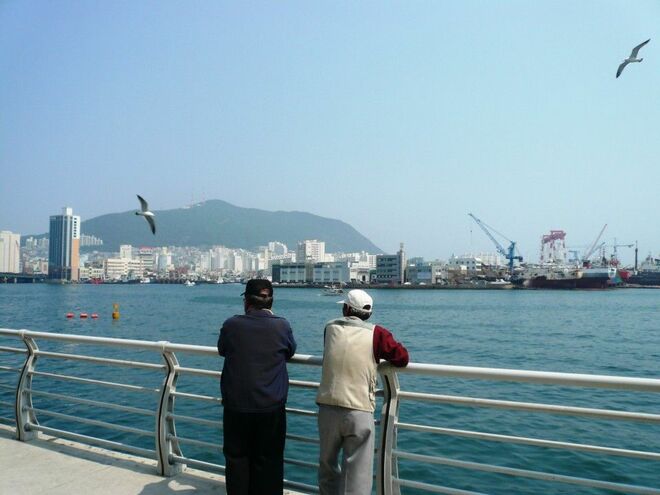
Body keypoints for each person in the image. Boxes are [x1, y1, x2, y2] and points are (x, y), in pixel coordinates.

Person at [316, 289, 409, 495]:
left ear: (346, 308)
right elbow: (402, 357)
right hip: (359, 409)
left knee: (327, 467)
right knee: (357, 474)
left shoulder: (330, 328)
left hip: (328, 405)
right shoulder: (377, 334)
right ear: (369, 313)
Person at [217, 279, 297, 495]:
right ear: (271, 302)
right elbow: (290, 351)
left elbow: (222, 349)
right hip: (271, 406)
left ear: (246, 301)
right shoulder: (282, 325)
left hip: (236, 405)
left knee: (236, 459)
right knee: (269, 460)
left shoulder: (231, 325)